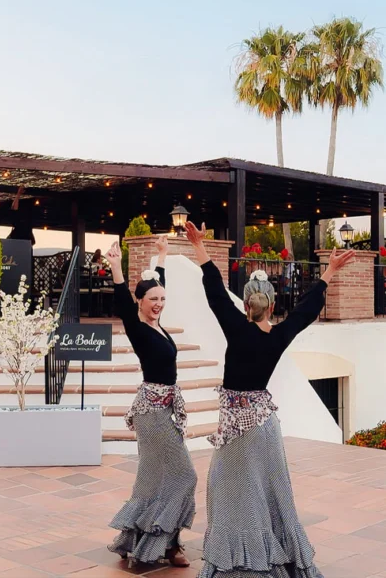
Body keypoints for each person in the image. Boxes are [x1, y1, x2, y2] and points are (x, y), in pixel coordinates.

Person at [185, 221, 354, 578]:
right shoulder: (279, 335)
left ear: (246, 304)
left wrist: (199, 246)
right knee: (271, 495)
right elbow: (306, 310)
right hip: (264, 428)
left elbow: (215, 291)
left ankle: (243, 562)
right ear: (272, 303)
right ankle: (275, 557)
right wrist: (329, 272)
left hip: (236, 430)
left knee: (229, 492)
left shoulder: (236, 327)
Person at [105, 236, 197, 569]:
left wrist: (162, 256)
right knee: (185, 475)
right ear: (140, 302)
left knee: (154, 478)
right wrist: (116, 267)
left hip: (164, 410)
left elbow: (158, 283)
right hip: (152, 412)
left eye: (162, 299)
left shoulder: (157, 325)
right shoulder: (138, 328)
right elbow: (122, 300)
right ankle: (166, 544)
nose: (158, 304)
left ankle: (149, 541)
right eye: (152, 299)